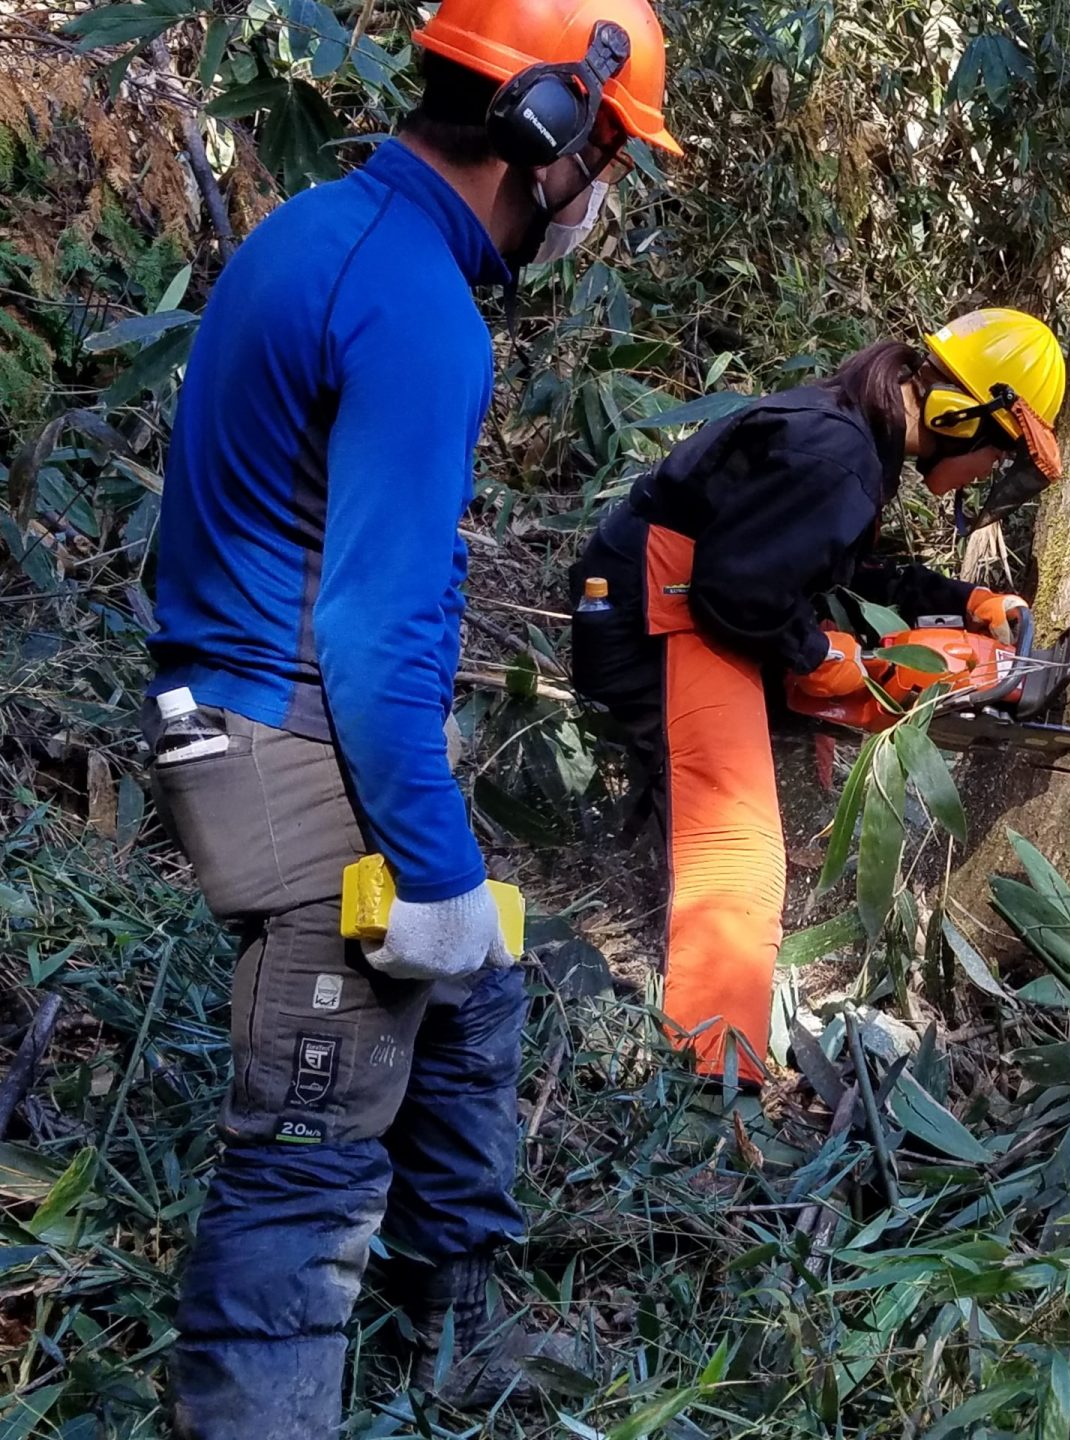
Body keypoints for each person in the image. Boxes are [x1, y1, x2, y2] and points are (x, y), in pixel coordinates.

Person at [140, 0, 680, 1432]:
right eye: (608, 154)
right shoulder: (422, 309)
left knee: (479, 989)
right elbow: (376, 635)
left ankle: (452, 1318)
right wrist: (436, 875)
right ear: (550, 128)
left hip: (249, 714)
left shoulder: (318, 228)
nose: (599, 198)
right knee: (309, 1152)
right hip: (291, 736)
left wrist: (456, 906)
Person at [568, 308, 1066, 1081]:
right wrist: (817, 659)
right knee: (740, 852)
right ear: (959, 412)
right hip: (661, 618)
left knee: (829, 702)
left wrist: (962, 600)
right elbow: (737, 588)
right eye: (998, 453)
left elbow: (821, 563)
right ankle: (709, 1076)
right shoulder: (838, 455)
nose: (988, 474)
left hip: (682, 603)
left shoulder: (845, 438)